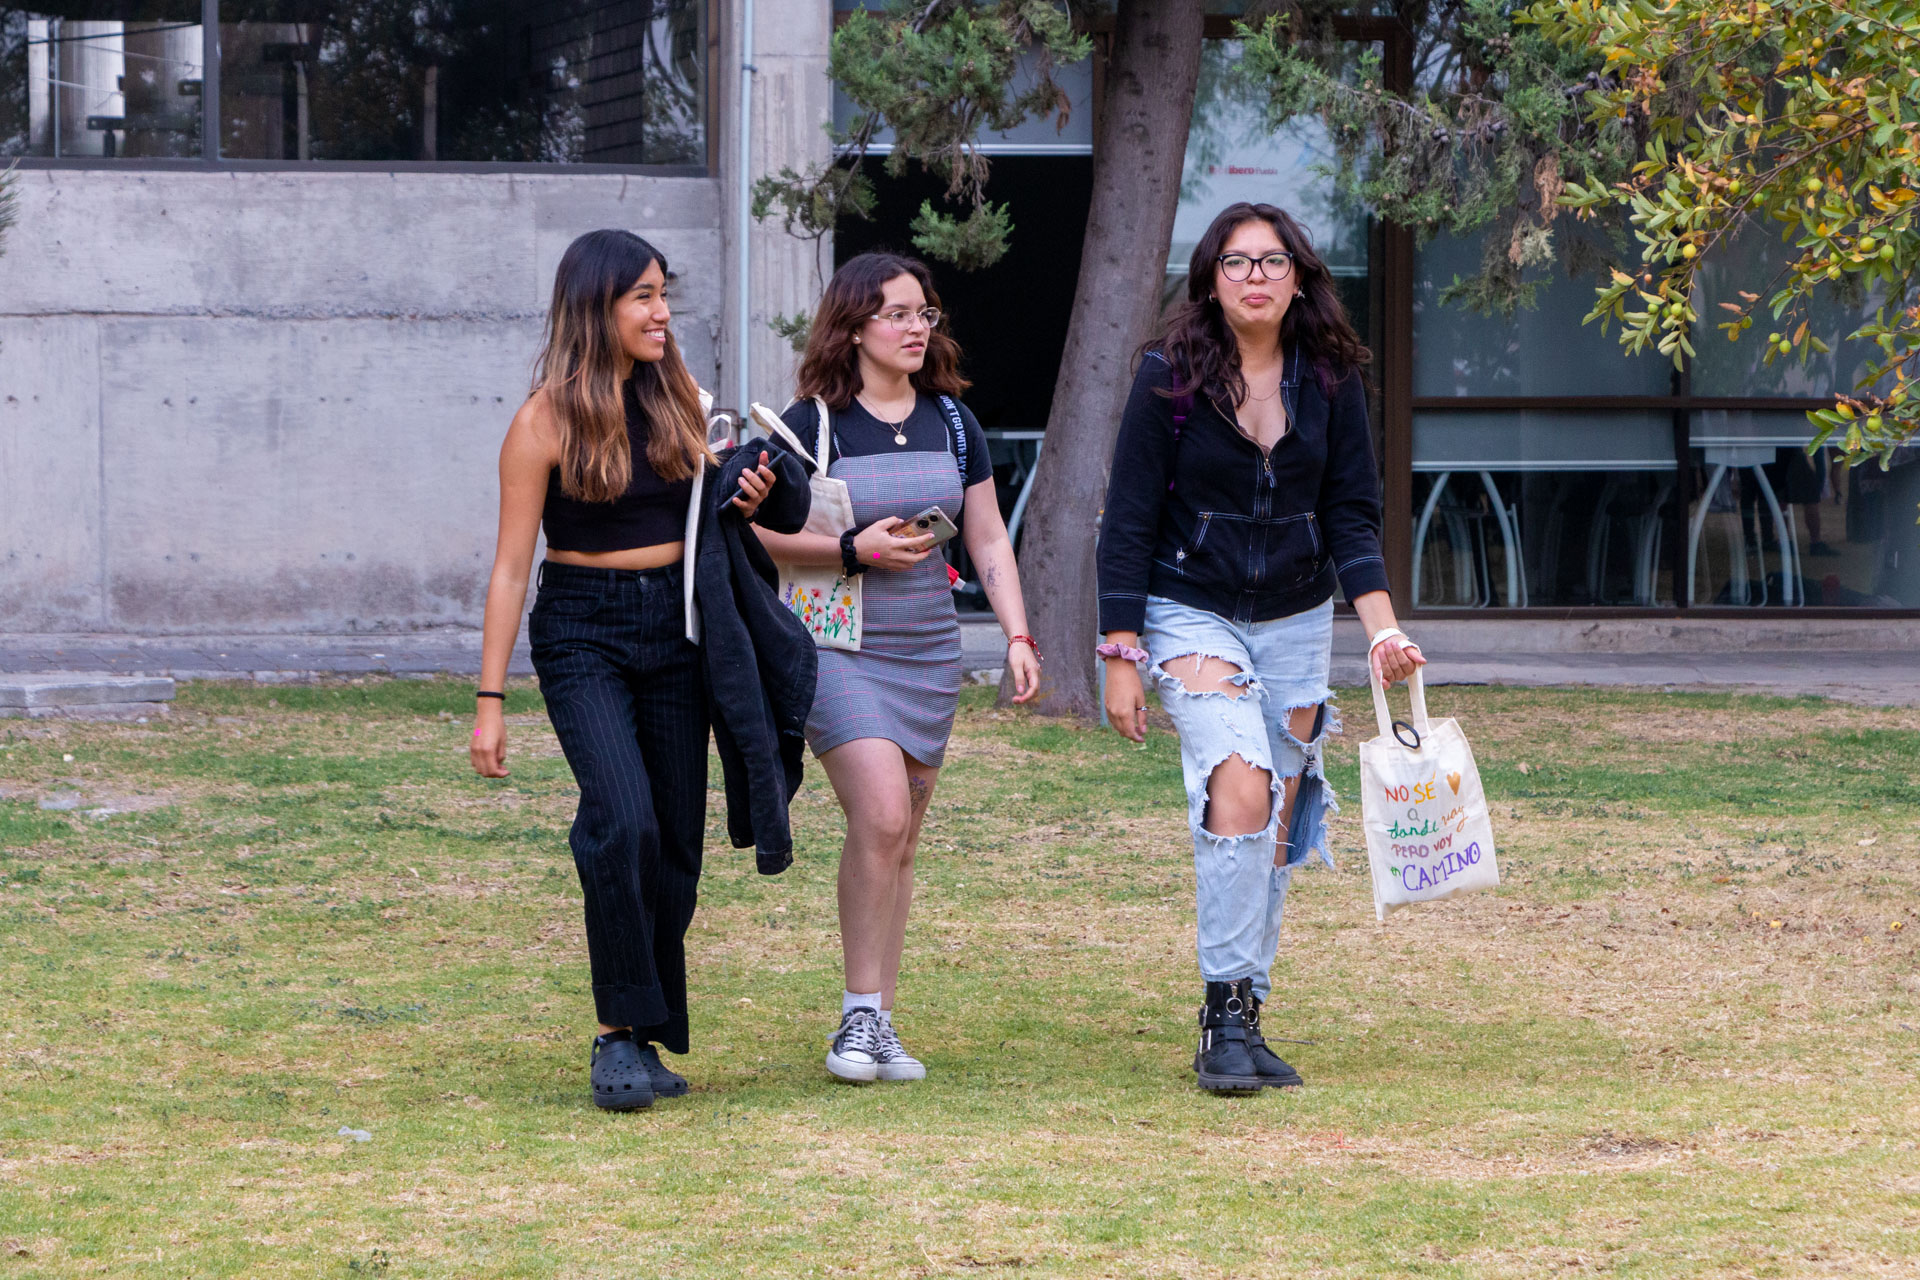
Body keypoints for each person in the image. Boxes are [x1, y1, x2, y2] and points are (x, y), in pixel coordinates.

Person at [469, 228, 812, 1112]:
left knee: (674, 844)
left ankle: (649, 1031)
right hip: (582, 633)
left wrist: (750, 488)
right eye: (644, 297)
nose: (663, 313)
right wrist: (489, 699)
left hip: (679, 628)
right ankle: (616, 1033)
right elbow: (510, 569)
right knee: (620, 820)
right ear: (598, 308)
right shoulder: (539, 421)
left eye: (665, 294)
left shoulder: (680, 404)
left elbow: (718, 514)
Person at [1096, 202, 1425, 1095]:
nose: (1254, 277)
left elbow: (1352, 514)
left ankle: (1246, 1012)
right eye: (1237, 263)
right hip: (1190, 608)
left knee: (1276, 821)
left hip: (1295, 619)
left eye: (1272, 262)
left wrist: (1383, 625)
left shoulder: (1330, 380)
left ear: (1299, 278)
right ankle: (1219, 1013)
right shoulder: (1170, 375)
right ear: (1211, 278)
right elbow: (1128, 517)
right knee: (1238, 783)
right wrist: (1119, 649)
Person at [754, 251, 1041, 1084]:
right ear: (853, 326)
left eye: (925, 314)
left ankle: (878, 1020)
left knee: (902, 837)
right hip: (836, 646)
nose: (918, 328)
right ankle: (853, 1016)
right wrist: (851, 548)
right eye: (899, 314)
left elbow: (986, 537)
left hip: (928, 651)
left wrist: (1017, 634)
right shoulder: (810, 426)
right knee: (880, 815)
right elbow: (754, 534)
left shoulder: (954, 422)